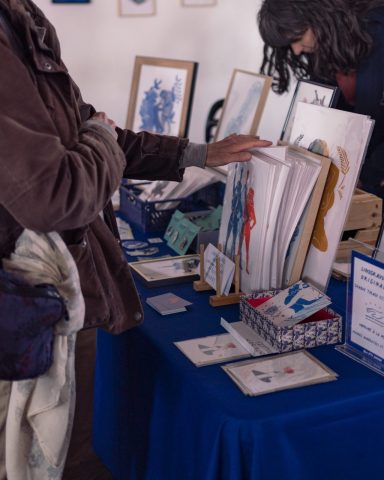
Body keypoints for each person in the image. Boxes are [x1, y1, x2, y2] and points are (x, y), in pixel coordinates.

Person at [0, 1, 272, 478]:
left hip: (52, 299)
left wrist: (198, 152)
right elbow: (58, 192)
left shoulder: (20, 18)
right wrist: (100, 136)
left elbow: (84, 126)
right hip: (28, 312)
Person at [258, 0, 384, 197]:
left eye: (298, 38)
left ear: (318, 17)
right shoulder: (326, 45)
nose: (296, 51)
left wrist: (369, 175)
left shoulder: (379, 29)